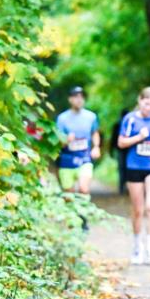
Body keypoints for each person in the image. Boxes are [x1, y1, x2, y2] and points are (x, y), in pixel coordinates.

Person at [116, 87, 150, 265]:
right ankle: (137, 245)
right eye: (146, 104)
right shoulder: (130, 119)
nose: (149, 108)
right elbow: (121, 142)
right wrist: (139, 137)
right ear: (139, 100)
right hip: (134, 166)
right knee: (138, 210)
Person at [56, 86, 100, 230]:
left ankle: (83, 217)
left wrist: (96, 147)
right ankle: (72, 220)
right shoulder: (62, 118)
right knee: (68, 194)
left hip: (84, 158)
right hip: (67, 159)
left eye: (81, 96)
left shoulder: (91, 116)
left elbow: (95, 132)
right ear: (70, 99)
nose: (79, 99)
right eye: (75, 96)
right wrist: (66, 140)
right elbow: (57, 141)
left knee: (83, 188)